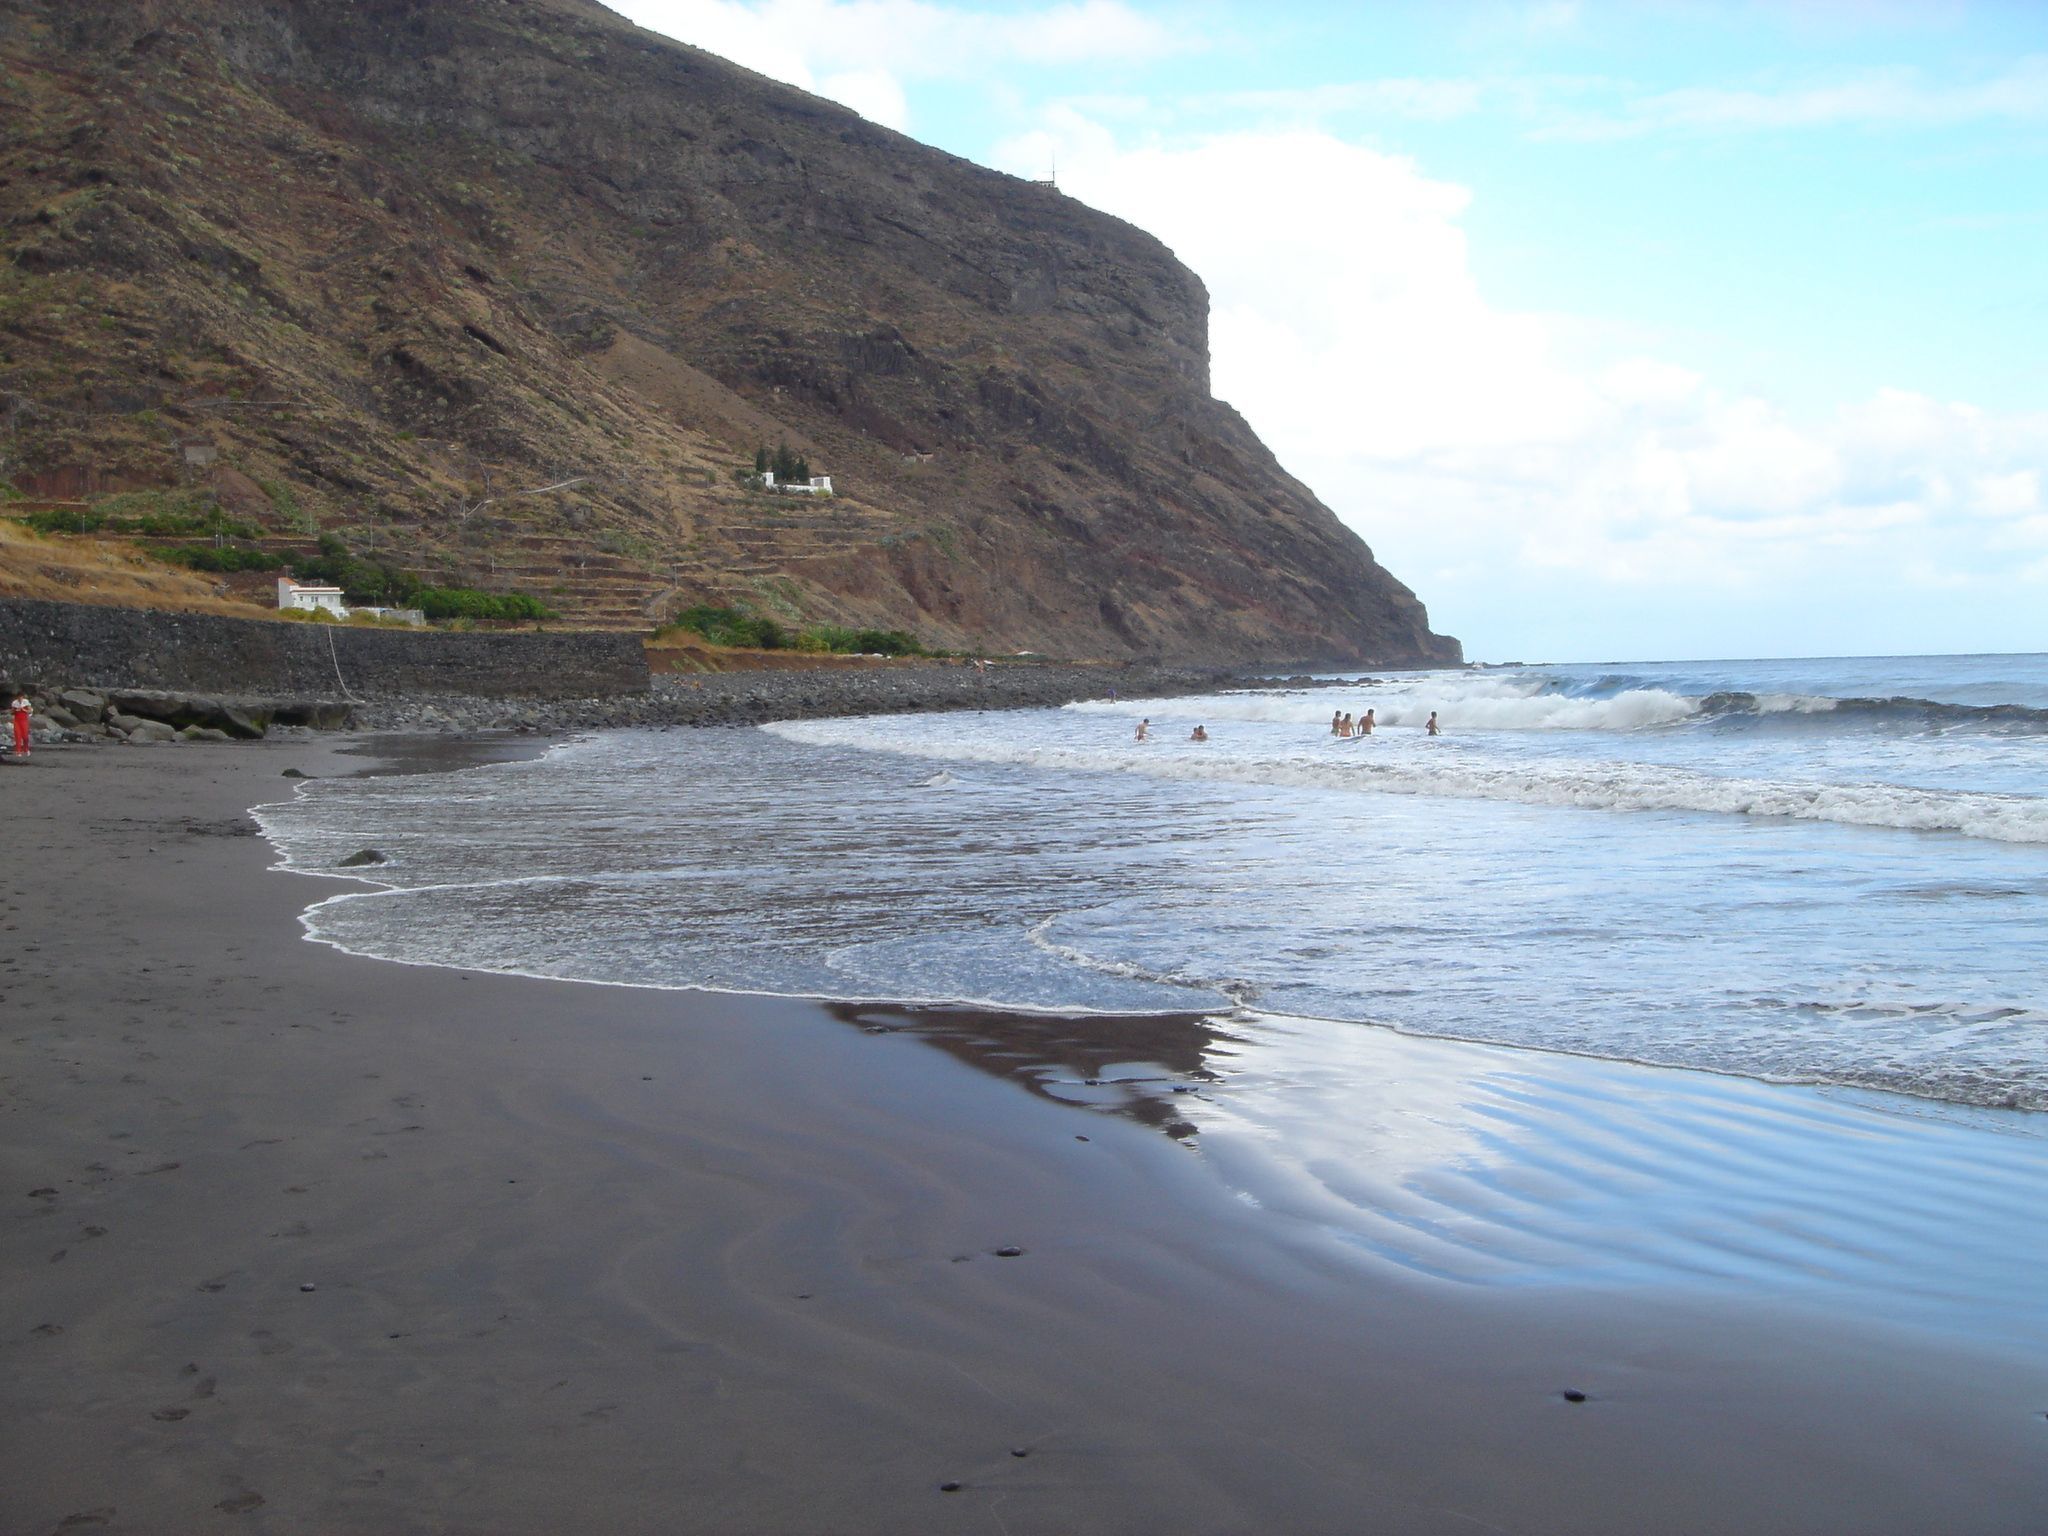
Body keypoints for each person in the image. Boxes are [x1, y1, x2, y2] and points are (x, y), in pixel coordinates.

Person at [8, 691, 30, 759]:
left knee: (25, 736)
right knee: (18, 735)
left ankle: (26, 749)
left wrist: (24, 710)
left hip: (24, 720)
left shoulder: (26, 702)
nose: (20, 698)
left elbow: (30, 710)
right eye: (19, 697)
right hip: (17, 720)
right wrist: (15, 710)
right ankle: (18, 751)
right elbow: (11, 712)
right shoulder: (14, 703)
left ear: (23, 697)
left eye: (21, 697)